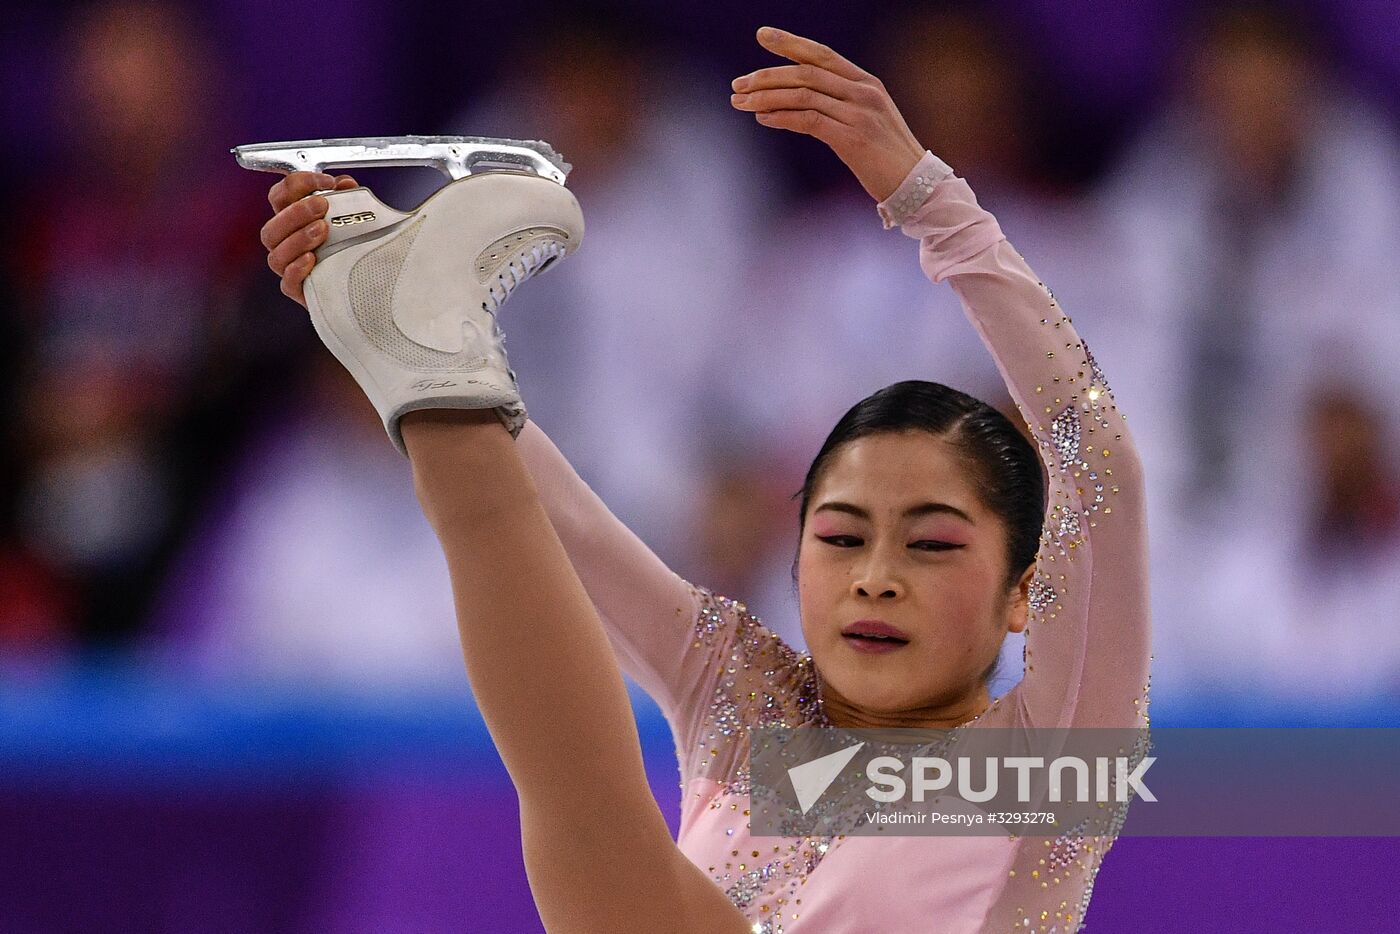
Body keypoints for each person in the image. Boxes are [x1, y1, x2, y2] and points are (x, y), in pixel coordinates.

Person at [257, 26, 1149, 933]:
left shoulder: (1045, 768)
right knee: (577, 782)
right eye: (839, 537)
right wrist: (403, 357)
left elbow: (1098, 464)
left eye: (932, 543)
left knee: (596, 822)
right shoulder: (753, 715)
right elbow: (565, 531)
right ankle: (429, 346)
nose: (876, 577)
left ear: (1020, 593)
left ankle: (429, 351)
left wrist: (931, 201)